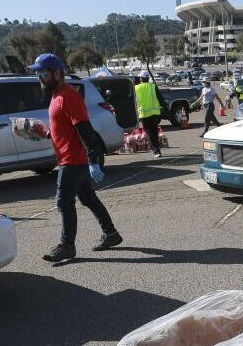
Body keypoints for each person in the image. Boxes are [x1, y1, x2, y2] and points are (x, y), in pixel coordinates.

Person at [27, 53, 123, 262]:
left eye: (42, 74)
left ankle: (67, 246)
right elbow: (64, 127)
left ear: (58, 73)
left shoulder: (68, 95)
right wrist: (43, 133)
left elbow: (84, 129)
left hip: (73, 159)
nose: (39, 79)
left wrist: (93, 160)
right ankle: (111, 234)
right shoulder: (56, 94)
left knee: (63, 201)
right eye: (37, 74)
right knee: (88, 198)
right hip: (69, 157)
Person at [133, 74, 165, 157]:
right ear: (147, 78)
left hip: (144, 115)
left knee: (149, 133)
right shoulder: (153, 86)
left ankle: (156, 150)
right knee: (154, 132)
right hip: (155, 114)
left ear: (141, 79)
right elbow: (160, 98)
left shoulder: (136, 88)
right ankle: (157, 149)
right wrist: (165, 109)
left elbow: (133, 101)